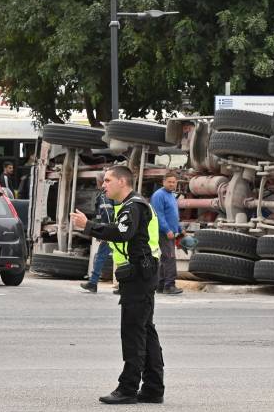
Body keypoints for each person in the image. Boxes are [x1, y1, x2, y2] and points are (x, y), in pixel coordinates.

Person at [70, 166, 165, 405]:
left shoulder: (133, 206)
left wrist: (88, 225)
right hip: (141, 274)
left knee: (133, 333)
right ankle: (153, 388)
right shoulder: (131, 205)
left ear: (123, 182)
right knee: (145, 331)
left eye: (109, 180)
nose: (104, 184)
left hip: (138, 276)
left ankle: (128, 388)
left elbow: (122, 233)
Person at [80, 172, 115, 293]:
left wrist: (105, 232)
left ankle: (93, 283)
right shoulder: (103, 195)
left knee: (102, 257)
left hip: (111, 232)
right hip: (110, 230)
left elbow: (108, 215)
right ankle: (93, 283)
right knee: (113, 257)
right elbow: (100, 215)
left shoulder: (105, 196)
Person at [150, 172, 183, 295]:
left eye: (174, 182)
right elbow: (159, 215)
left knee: (165, 258)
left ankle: (160, 285)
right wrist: (167, 230)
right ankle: (170, 285)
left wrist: (179, 229)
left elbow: (173, 215)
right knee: (170, 258)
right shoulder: (159, 195)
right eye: (169, 182)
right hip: (163, 232)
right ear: (163, 182)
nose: (172, 184)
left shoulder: (171, 195)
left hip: (170, 231)